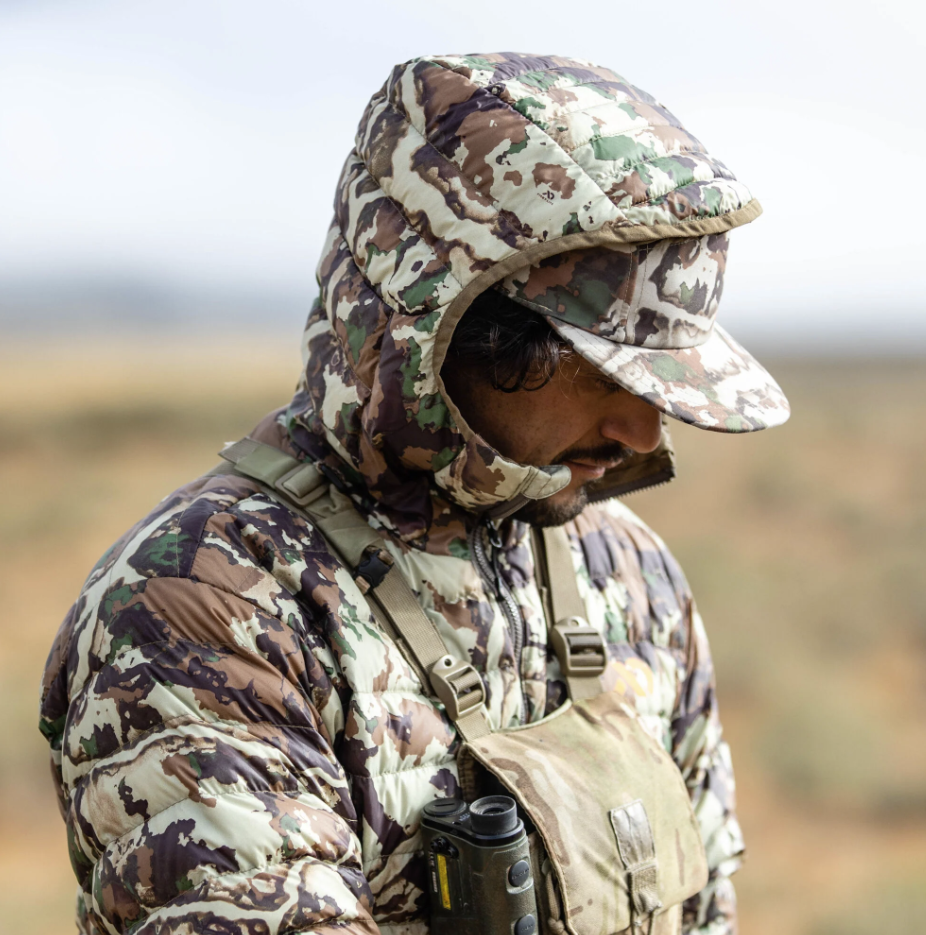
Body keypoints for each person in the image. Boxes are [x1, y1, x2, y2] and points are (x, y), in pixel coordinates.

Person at [39, 52, 789, 935]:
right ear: (444, 330)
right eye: (601, 372)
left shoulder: (630, 573)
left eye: (661, 382)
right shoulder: (209, 607)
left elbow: (707, 908)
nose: (644, 432)